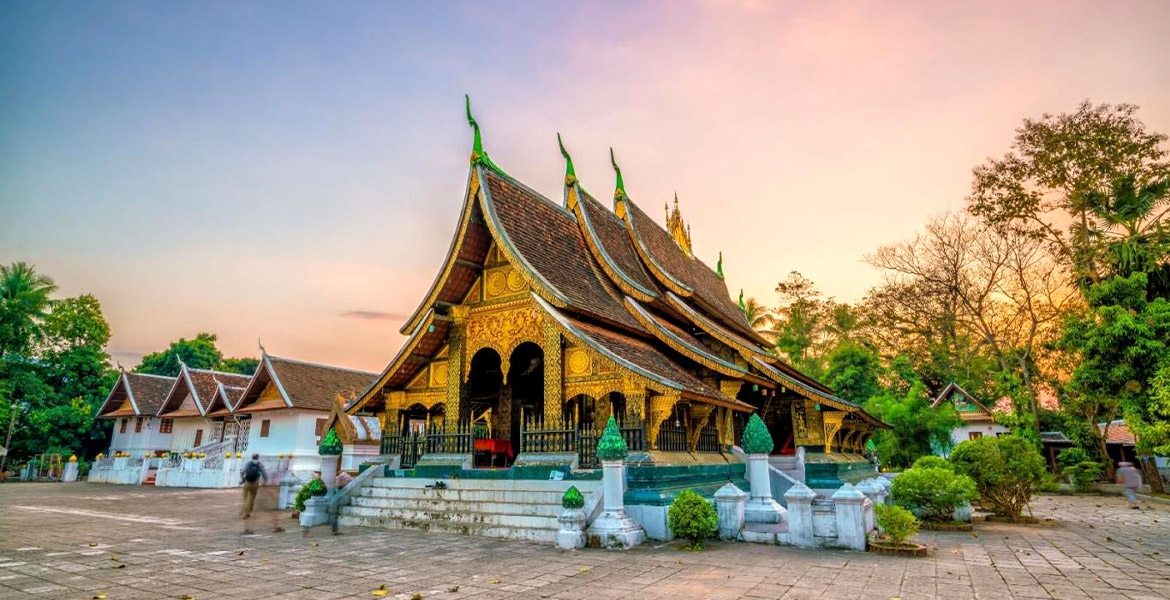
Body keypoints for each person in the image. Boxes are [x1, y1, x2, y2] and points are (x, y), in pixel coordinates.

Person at [241, 454, 284, 534]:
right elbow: (264, 474)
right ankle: (249, 512)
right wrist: (265, 482)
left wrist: (243, 479)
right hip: (255, 483)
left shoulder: (248, 463)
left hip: (247, 482)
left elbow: (243, 471)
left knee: (246, 498)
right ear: (258, 458)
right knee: (252, 498)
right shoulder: (259, 464)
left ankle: (246, 512)